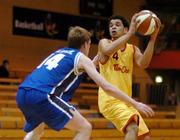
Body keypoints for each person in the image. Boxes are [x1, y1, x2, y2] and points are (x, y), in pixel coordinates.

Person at [16, 26, 154, 140]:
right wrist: (135, 103)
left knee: (37, 132)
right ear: (86, 44)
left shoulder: (59, 52)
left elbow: (76, 69)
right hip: (42, 96)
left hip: (23, 92)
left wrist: (92, 62)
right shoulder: (81, 57)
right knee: (85, 128)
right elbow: (106, 87)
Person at [97, 12, 161, 140]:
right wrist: (130, 33)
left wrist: (153, 38)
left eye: (117, 25)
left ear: (125, 29)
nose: (113, 27)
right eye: (111, 25)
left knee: (145, 138)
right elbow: (108, 51)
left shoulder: (132, 49)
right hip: (110, 100)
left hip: (126, 102)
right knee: (132, 128)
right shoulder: (104, 42)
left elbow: (144, 63)